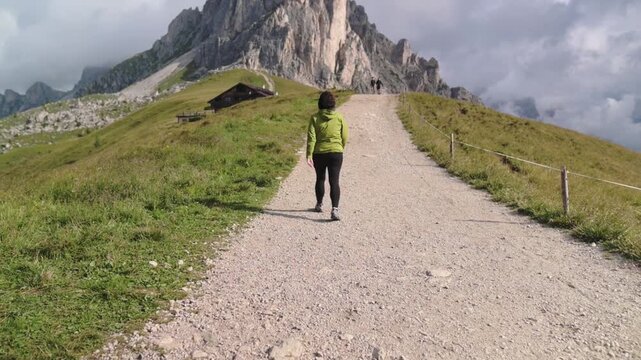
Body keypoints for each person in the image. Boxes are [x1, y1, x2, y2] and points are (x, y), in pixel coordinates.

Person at [306, 91, 349, 221]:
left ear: (320, 103)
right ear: (333, 104)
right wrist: (340, 147)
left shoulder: (314, 118)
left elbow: (311, 138)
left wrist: (309, 154)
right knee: (334, 181)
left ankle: (319, 205)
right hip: (336, 153)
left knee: (320, 179)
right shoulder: (340, 117)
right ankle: (335, 210)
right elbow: (345, 135)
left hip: (319, 153)